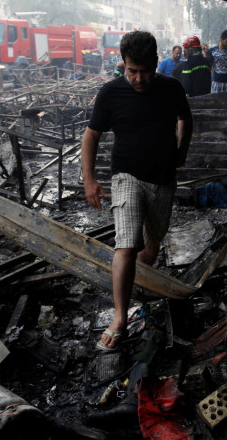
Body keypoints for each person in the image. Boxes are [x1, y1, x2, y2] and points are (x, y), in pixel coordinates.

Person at [81, 30, 193, 352]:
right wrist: (89, 180)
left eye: (145, 71)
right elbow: (91, 136)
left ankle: (136, 290)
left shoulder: (171, 89)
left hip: (162, 180)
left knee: (150, 250)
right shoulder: (111, 93)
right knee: (127, 245)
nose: (139, 78)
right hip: (125, 177)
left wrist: (181, 150)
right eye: (132, 71)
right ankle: (119, 316)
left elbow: (186, 118)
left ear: (156, 63)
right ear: (123, 64)